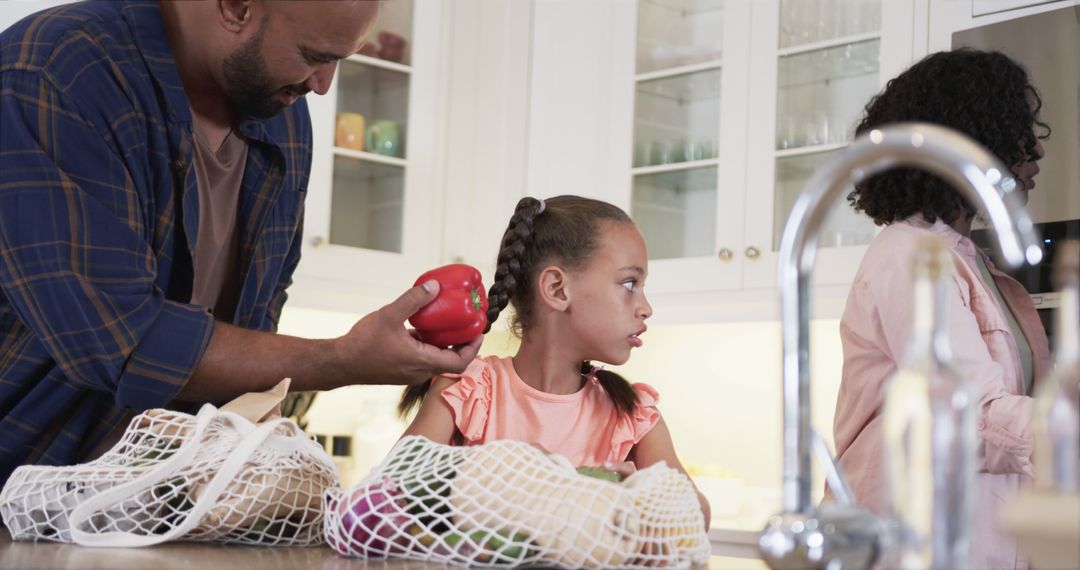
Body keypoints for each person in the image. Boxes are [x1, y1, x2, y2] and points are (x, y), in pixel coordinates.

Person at [0, 0, 480, 487]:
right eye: (313, 55)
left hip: (142, 508)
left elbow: (260, 311)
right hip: (16, 492)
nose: (323, 84)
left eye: (339, 60)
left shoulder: (281, 113)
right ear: (235, 7)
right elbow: (122, 342)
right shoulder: (56, 73)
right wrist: (342, 359)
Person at [831, 49, 1051, 569]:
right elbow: (972, 419)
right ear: (972, 137)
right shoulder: (909, 256)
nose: (1037, 148)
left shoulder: (971, 263)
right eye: (1018, 129)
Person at [397, 195, 712, 526]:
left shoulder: (631, 414)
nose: (646, 307)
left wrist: (646, 496)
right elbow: (389, 494)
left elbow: (698, 518)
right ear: (557, 289)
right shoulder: (468, 390)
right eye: (629, 284)